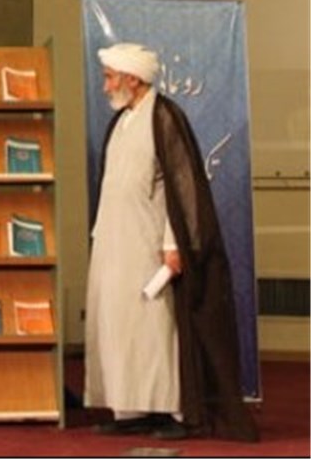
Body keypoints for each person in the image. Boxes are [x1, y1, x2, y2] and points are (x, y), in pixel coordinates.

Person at [84, 42, 258, 442]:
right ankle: (131, 409)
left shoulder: (164, 116)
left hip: (150, 247)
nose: (105, 86)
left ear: (132, 79)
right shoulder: (122, 121)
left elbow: (183, 188)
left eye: (110, 78)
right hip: (114, 244)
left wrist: (174, 243)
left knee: (154, 330)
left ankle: (170, 411)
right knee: (118, 327)